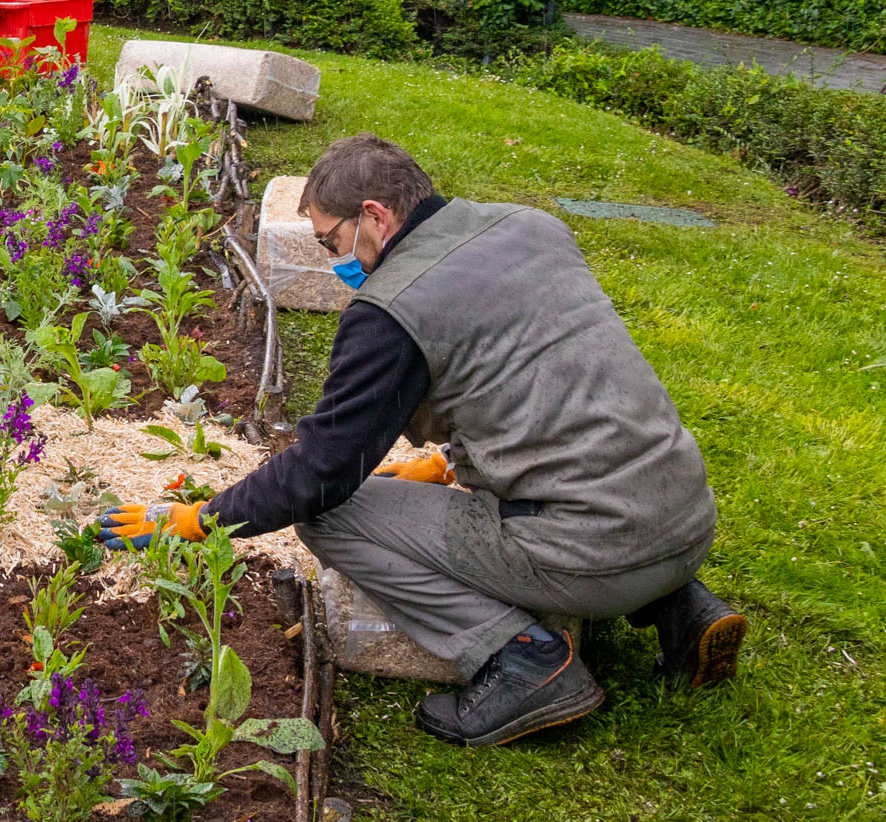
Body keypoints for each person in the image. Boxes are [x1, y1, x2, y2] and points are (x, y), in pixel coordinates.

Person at [96, 133, 743, 748]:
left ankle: (521, 660)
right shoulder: (527, 225)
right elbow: (535, 385)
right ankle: (682, 606)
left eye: (332, 242)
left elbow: (320, 471)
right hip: (686, 512)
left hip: (590, 552)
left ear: (375, 216)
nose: (336, 260)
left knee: (328, 518)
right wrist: (440, 466)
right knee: (588, 481)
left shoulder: (389, 314)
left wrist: (200, 519)